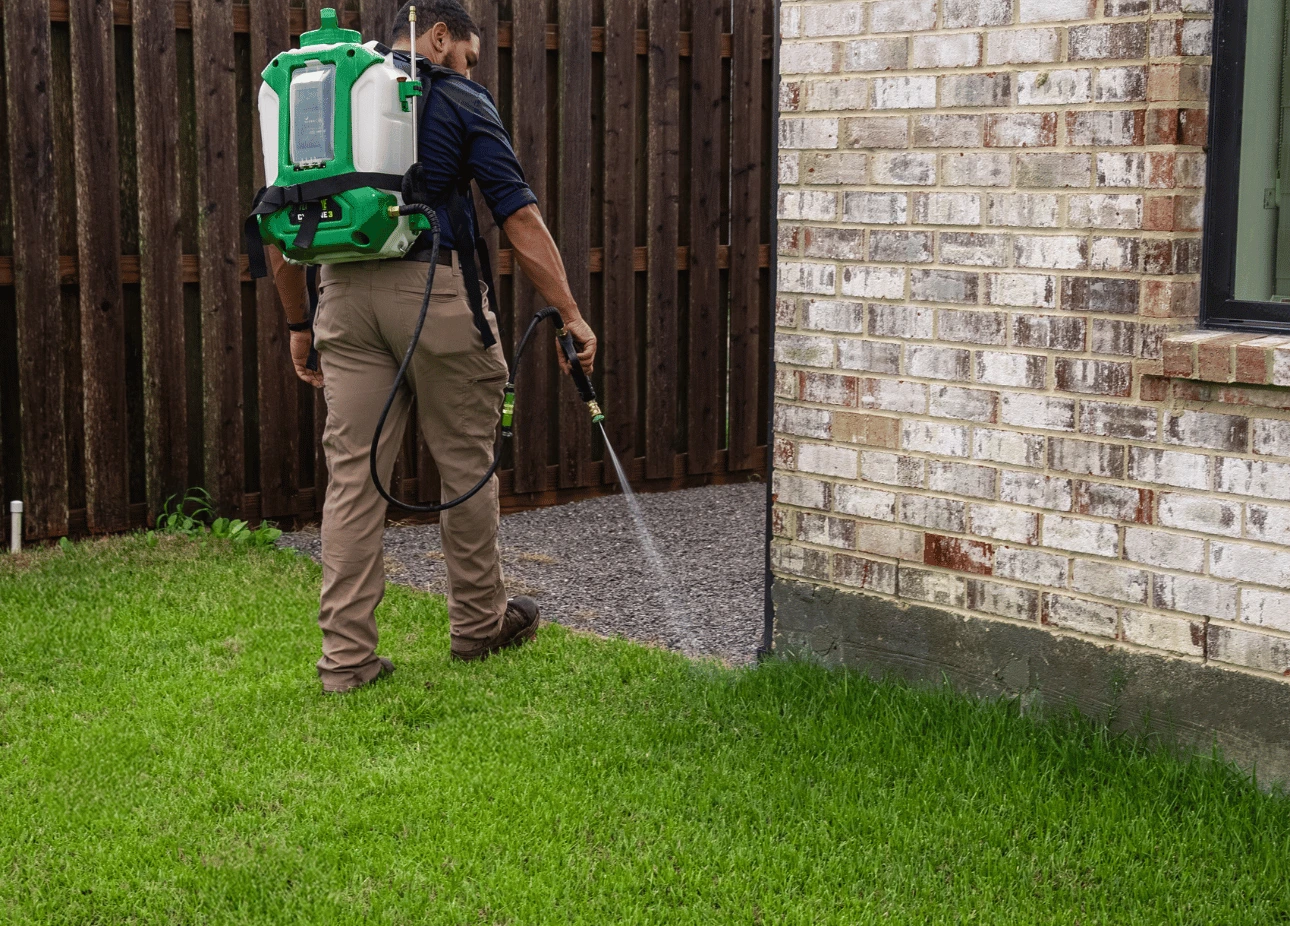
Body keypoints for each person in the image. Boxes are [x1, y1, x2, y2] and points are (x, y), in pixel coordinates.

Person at [268, 0, 597, 693]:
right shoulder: (457, 98)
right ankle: (479, 626)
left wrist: (299, 324)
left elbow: (281, 224)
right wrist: (569, 311)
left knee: (353, 481)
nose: (470, 67)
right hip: (436, 291)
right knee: (465, 467)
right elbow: (519, 217)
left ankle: (346, 662)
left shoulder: (324, 97)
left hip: (343, 298)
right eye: (468, 55)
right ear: (440, 36)